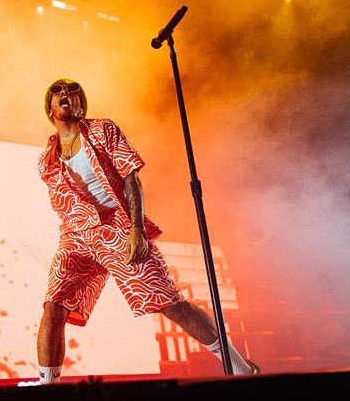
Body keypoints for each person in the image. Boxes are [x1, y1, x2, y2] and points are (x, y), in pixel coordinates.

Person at [36, 78, 260, 384]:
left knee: (171, 304)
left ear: (80, 103)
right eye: (59, 91)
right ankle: (48, 386)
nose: (66, 94)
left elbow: (131, 179)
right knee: (53, 306)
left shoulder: (103, 130)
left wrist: (137, 229)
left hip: (117, 226)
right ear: (50, 106)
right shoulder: (46, 157)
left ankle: (241, 368)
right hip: (75, 235)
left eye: (73, 91)